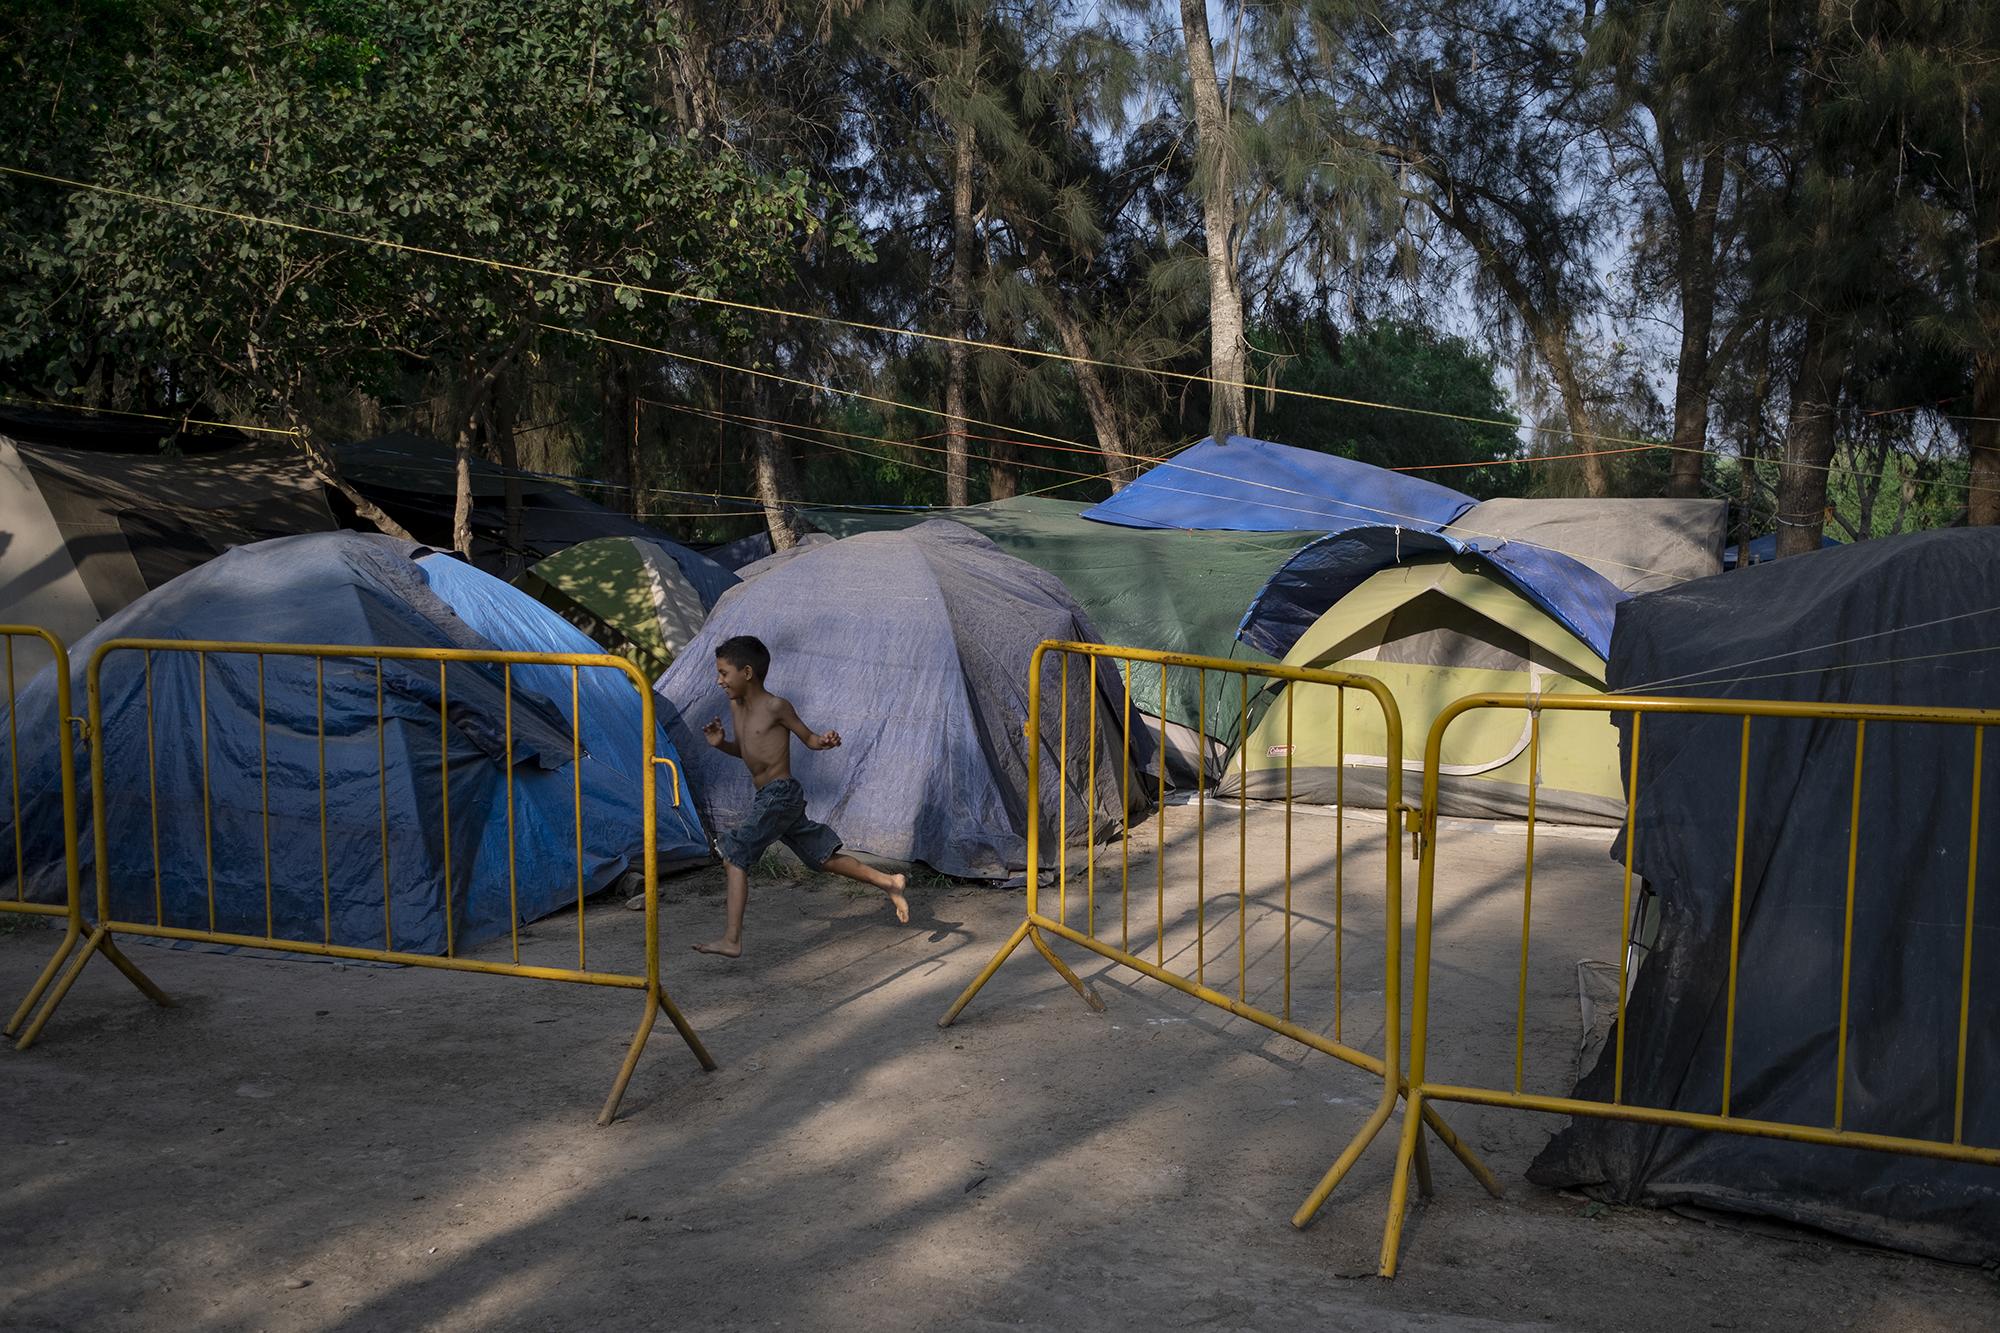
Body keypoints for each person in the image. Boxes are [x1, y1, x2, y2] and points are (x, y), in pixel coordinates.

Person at [692, 634, 909, 958]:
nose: (718, 680)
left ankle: (732, 939)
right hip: (770, 798)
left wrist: (826, 740)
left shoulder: (777, 706)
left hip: (780, 795)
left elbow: (809, 738)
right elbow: (751, 752)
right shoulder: (735, 706)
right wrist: (721, 744)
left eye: (724, 673)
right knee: (823, 859)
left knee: (734, 854)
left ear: (747, 672)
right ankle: (890, 882)